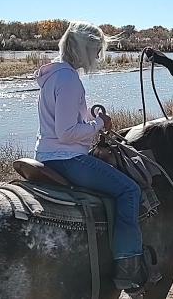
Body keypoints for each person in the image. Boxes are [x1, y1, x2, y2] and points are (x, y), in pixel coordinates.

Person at [33, 21, 146, 290]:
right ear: (84, 49)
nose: (98, 56)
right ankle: (128, 266)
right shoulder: (69, 79)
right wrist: (97, 126)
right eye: (96, 49)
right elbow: (66, 132)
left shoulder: (53, 75)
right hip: (67, 158)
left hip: (48, 155)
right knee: (129, 191)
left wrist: (91, 117)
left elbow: (65, 122)